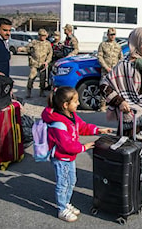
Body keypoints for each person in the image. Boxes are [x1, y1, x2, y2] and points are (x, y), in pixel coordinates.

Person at [100, 27, 142, 194]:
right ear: (136, 44)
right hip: (132, 120)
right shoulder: (124, 65)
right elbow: (104, 85)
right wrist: (119, 101)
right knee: (136, 155)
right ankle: (134, 189)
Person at [41, 86, 112, 222]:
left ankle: (66, 203)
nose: (78, 103)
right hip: (61, 158)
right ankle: (62, 208)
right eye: (75, 101)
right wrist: (83, 147)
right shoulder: (58, 123)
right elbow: (66, 145)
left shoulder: (71, 115)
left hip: (69, 157)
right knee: (63, 183)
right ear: (65, 105)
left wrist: (99, 130)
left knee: (71, 181)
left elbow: (83, 127)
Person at [97, 27, 123, 112]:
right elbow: (100, 57)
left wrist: (118, 68)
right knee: (103, 87)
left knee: (115, 88)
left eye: (114, 34)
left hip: (115, 71)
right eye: (111, 34)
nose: (112, 36)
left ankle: (115, 105)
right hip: (106, 70)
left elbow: (121, 58)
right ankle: (102, 106)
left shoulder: (118, 46)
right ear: (107, 35)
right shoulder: (103, 45)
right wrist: (106, 67)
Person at [26, 28, 53, 98]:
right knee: (31, 77)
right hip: (34, 63)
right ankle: (28, 92)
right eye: (41, 35)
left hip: (42, 64)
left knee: (43, 79)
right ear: (39, 35)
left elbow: (50, 53)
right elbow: (27, 49)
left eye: (44, 35)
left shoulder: (47, 43)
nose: (43, 37)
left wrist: (47, 62)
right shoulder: (34, 42)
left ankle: (42, 92)